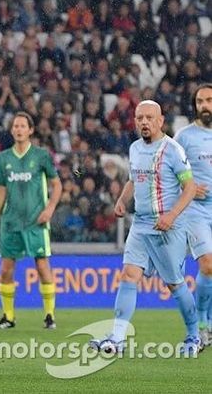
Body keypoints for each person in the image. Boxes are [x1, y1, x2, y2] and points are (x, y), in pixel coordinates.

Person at [91, 101, 201, 356]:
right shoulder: (134, 148)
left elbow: (191, 188)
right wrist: (122, 200)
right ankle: (117, 339)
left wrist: (172, 216)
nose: (144, 122)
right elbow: (133, 178)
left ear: (160, 121)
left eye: (149, 118)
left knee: (175, 284)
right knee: (129, 275)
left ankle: (194, 336)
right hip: (141, 224)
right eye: (140, 117)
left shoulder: (173, 150)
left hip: (167, 227)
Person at [0, 112, 62, 329]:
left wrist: (50, 208)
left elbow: (57, 185)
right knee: (6, 270)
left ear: (30, 130)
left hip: (36, 222)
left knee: (42, 267)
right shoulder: (3, 158)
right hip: (11, 223)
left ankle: (49, 315)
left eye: (22, 126)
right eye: (15, 126)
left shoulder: (41, 156)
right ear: (12, 130)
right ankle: (8, 317)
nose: (18, 129)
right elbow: (0, 191)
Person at [174, 83, 212, 347]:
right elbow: (167, 169)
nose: (205, 106)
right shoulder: (184, 136)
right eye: (200, 101)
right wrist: (186, 187)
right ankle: (202, 324)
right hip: (196, 209)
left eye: (209, 100)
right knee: (208, 265)